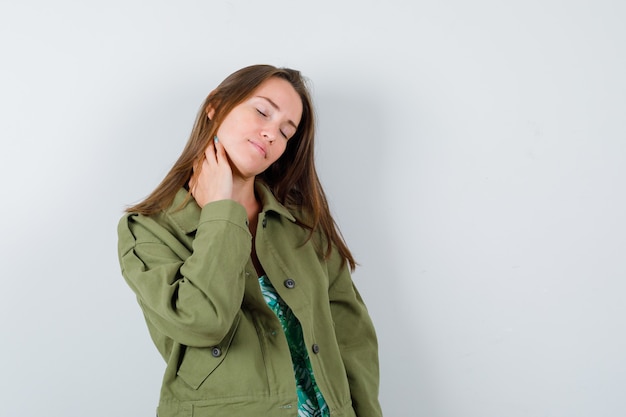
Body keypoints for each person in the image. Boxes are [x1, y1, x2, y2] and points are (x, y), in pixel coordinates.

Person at [117, 64, 382, 417]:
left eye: (286, 131)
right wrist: (221, 212)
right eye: (262, 111)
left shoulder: (302, 223)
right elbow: (201, 322)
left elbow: (352, 338)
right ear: (216, 106)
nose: (272, 133)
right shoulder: (148, 229)